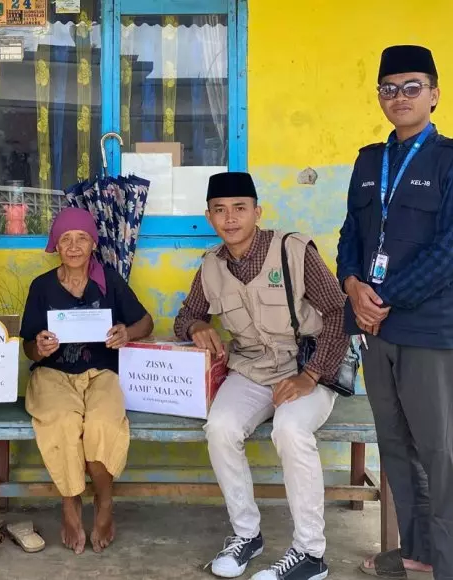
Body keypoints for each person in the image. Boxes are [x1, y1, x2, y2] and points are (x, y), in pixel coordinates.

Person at [337, 46, 453, 580]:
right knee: (396, 446)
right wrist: (352, 286)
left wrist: (385, 298)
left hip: (425, 328)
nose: (399, 97)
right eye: (389, 88)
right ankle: (418, 551)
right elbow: (351, 235)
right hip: (374, 328)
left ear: (435, 94)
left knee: (439, 453)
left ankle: (451, 568)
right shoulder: (368, 160)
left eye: (412, 86)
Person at [173, 172, 350, 580]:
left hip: (307, 366)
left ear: (257, 211)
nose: (230, 218)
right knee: (219, 426)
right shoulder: (212, 265)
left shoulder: (292, 249)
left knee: (289, 430)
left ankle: (310, 554)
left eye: (239, 208)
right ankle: (246, 535)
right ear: (209, 216)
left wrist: (312, 375)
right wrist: (197, 327)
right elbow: (187, 315)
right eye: (220, 210)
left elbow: (340, 312)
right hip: (251, 370)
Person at [20, 207, 154, 554]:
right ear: (55, 245)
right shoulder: (42, 287)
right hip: (53, 375)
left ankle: (105, 503)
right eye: (66, 239)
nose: (75, 246)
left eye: (82, 238)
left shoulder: (109, 280)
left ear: (93, 243)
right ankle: (70, 502)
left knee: (102, 423)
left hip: (101, 373)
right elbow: (28, 349)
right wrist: (40, 347)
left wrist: (127, 332)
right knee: (63, 422)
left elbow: (146, 323)